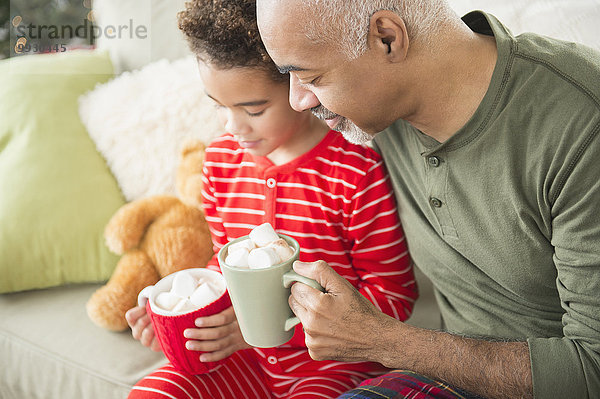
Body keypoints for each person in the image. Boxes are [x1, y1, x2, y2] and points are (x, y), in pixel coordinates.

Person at [254, 0, 600, 398]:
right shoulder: (377, 114)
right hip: (444, 379)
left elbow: (592, 372)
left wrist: (381, 340)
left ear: (387, 38)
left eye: (310, 77)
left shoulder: (581, 127)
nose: (297, 101)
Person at [125, 0, 418, 398]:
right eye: (220, 107)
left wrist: (273, 323)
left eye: (254, 109)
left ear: (299, 87)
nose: (233, 127)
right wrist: (187, 314)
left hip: (334, 367)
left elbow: (394, 297)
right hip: (244, 363)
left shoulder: (354, 169)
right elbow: (222, 265)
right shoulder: (220, 161)